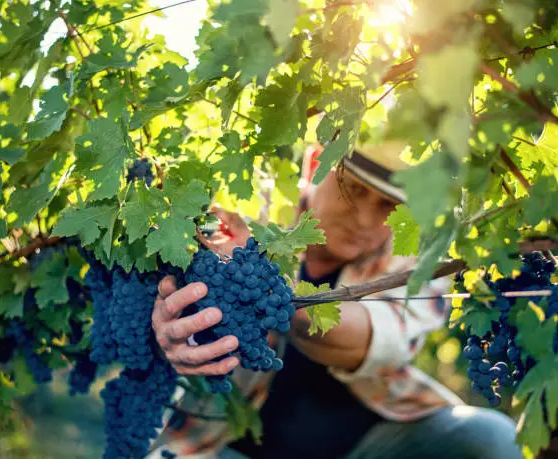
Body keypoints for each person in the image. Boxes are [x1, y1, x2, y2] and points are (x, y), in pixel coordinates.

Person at [150, 143, 523, 459]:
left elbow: (371, 345)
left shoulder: (418, 261)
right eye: (354, 188)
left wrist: (267, 286)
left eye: (389, 205)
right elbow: (173, 294)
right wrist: (167, 320)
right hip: (224, 444)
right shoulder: (245, 212)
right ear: (316, 164)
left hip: (371, 445)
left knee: (490, 438)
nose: (362, 217)